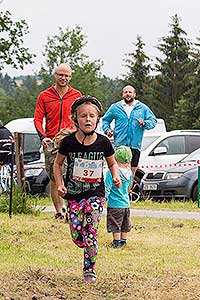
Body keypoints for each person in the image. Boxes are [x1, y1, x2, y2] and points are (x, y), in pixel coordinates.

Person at [53, 96, 121, 283]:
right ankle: (83, 241)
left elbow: (112, 163)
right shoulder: (68, 143)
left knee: (91, 230)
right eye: (83, 116)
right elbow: (57, 165)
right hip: (73, 195)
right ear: (76, 119)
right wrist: (60, 184)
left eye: (92, 116)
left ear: (98, 119)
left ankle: (89, 270)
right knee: (77, 235)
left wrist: (115, 176)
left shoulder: (104, 142)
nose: (88, 119)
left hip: (95, 194)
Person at [34, 63, 82, 220]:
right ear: (55, 75)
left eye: (67, 75)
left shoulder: (76, 95)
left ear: (70, 77)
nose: (64, 78)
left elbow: (81, 115)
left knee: (73, 176)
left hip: (71, 138)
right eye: (61, 75)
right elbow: (37, 118)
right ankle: (59, 211)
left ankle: (71, 209)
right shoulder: (44, 96)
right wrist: (43, 137)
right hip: (52, 140)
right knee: (55, 177)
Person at [102, 85, 157, 179]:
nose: (128, 94)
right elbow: (105, 120)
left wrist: (145, 123)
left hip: (135, 145)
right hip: (120, 146)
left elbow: (153, 120)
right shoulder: (115, 107)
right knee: (118, 172)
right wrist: (107, 130)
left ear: (134, 94)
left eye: (130, 92)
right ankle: (119, 193)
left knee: (131, 174)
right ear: (122, 94)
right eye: (125, 92)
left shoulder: (142, 108)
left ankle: (127, 193)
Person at [105, 145, 133, 248]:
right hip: (126, 203)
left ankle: (116, 242)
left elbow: (107, 186)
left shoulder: (111, 172)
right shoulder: (129, 173)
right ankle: (123, 241)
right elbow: (129, 186)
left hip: (114, 203)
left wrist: (104, 198)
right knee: (125, 223)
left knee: (115, 223)